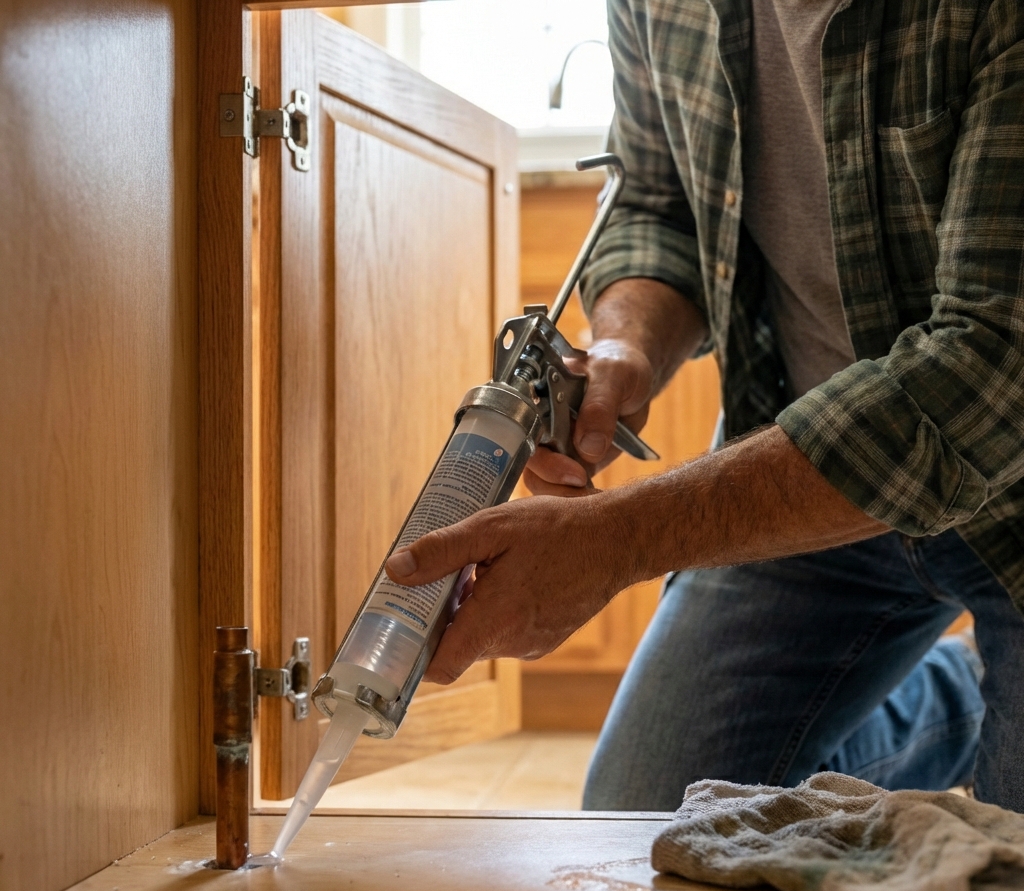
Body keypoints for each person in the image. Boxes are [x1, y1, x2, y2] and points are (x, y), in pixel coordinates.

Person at [385, 0, 1024, 812]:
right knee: (650, 818)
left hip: (1012, 482)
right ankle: (964, 701)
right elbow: (660, 204)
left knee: (1012, 888)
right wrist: (625, 348)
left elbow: (991, 360)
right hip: (812, 464)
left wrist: (615, 542)